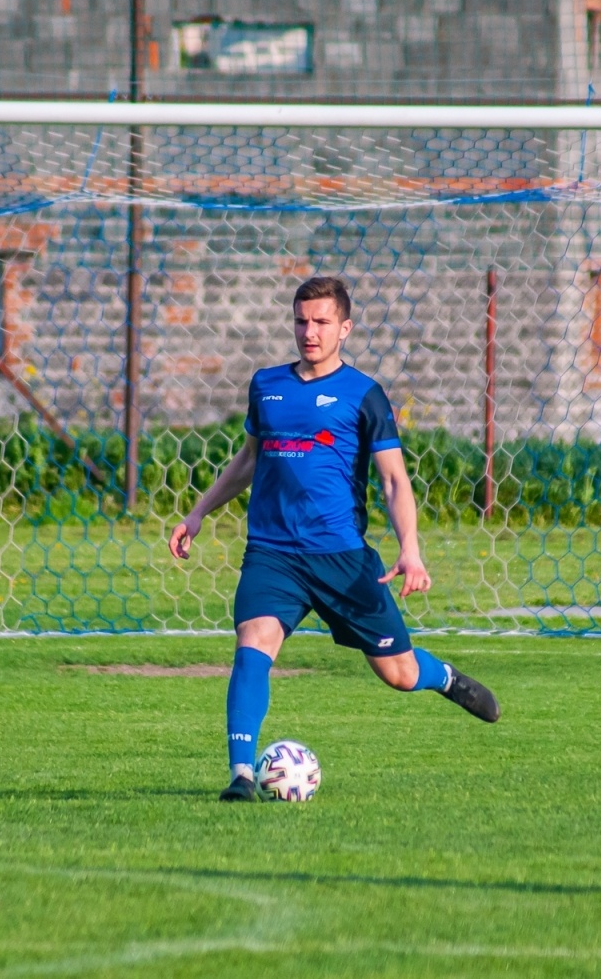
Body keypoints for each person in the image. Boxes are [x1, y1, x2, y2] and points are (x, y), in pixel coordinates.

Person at [168, 275, 500, 802]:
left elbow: (394, 480)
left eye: (322, 321)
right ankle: (241, 775)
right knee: (253, 644)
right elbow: (249, 459)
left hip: (343, 558)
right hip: (273, 554)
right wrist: (198, 513)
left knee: (398, 672)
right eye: (301, 320)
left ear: (344, 327)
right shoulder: (267, 385)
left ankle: (446, 679)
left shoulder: (364, 395)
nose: (309, 331)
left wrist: (409, 548)